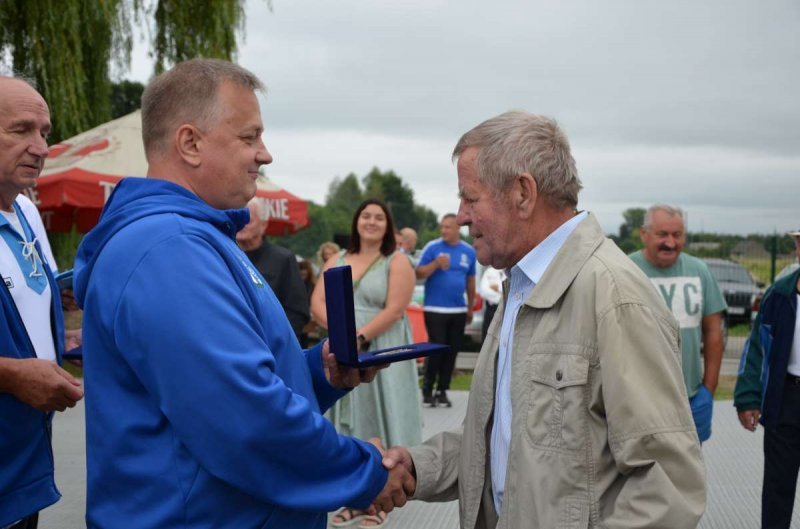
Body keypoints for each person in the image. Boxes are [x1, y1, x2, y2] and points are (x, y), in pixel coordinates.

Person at [72, 59, 412, 529]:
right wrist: (365, 471)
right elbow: (242, 417)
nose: (264, 154)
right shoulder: (169, 250)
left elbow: (228, 381)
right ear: (190, 143)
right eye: (249, 137)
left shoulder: (199, 238)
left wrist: (319, 373)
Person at [382, 111, 705, 528]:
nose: (460, 216)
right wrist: (416, 466)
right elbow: (508, 442)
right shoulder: (521, 286)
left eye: (470, 198)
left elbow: (668, 489)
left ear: (522, 193)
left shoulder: (615, 297)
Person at [0, 76, 84, 529]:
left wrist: (61, 335)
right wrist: (11, 374)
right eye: (21, 130)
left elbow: (29, 298)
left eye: (45, 132)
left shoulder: (28, 210)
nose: (41, 147)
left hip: (25, 462)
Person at [310, 198, 420, 528]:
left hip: (379, 349)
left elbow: (395, 310)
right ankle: (355, 498)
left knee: (379, 420)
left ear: (388, 226)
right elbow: (317, 301)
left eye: (379, 218)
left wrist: (358, 338)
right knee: (348, 425)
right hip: (343, 350)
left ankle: (378, 502)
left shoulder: (396, 261)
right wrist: (341, 335)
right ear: (356, 221)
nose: (371, 222)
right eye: (366, 216)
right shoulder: (337, 259)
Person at [629, 204, 727, 442]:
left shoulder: (699, 271)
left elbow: (714, 332)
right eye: (662, 234)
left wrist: (708, 390)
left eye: (677, 235)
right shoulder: (626, 270)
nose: (670, 243)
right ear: (644, 234)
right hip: (639, 401)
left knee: (690, 464)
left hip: (691, 398)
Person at [735, 229, 800, 529]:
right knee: (777, 488)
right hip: (786, 399)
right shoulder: (780, 295)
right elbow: (757, 348)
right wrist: (748, 396)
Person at [416, 214, 476, 407]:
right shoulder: (432, 248)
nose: (444, 230)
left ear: (458, 228)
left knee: (451, 351)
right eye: (442, 227)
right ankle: (427, 389)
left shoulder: (468, 251)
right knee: (436, 349)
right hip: (435, 308)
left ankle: (442, 390)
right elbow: (418, 273)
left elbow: (471, 281)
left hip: (458, 310)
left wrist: (470, 307)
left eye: (448, 227)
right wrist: (435, 264)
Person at [237, 197, 310, 342]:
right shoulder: (224, 255)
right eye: (238, 218)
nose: (242, 224)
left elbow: (297, 312)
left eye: (248, 219)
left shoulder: (283, 259)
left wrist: (276, 342)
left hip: (270, 344)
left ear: (263, 225)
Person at [477, 266, 505, 343]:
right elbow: (484, 291)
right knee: (487, 337)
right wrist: (503, 296)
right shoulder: (490, 272)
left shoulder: (512, 271)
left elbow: (512, 290)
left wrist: (498, 288)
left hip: (506, 310)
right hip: (492, 310)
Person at [298, 259, 318, 347]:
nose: (302, 272)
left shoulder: (312, 285)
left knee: (304, 338)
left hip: (307, 314)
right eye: (300, 269)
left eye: (304, 269)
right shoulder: (294, 284)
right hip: (298, 315)